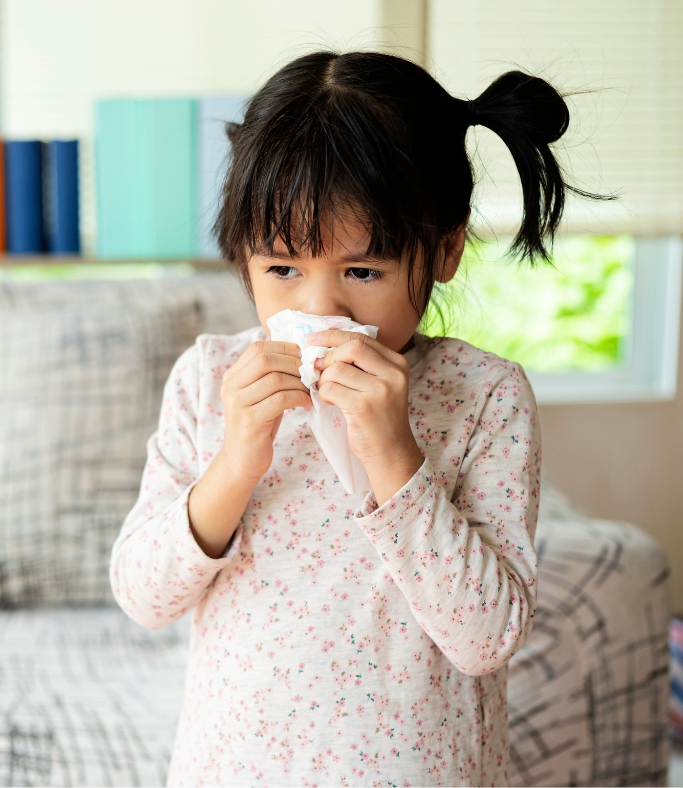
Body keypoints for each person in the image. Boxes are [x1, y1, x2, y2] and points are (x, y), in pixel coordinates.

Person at [110, 50, 607, 786]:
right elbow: (144, 596)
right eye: (282, 269)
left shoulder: (484, 397)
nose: (320, 311)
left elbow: (487, 637)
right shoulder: (210, 379)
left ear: (443, 250)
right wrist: (237, 461)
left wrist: (394, 455)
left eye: (362, 272)